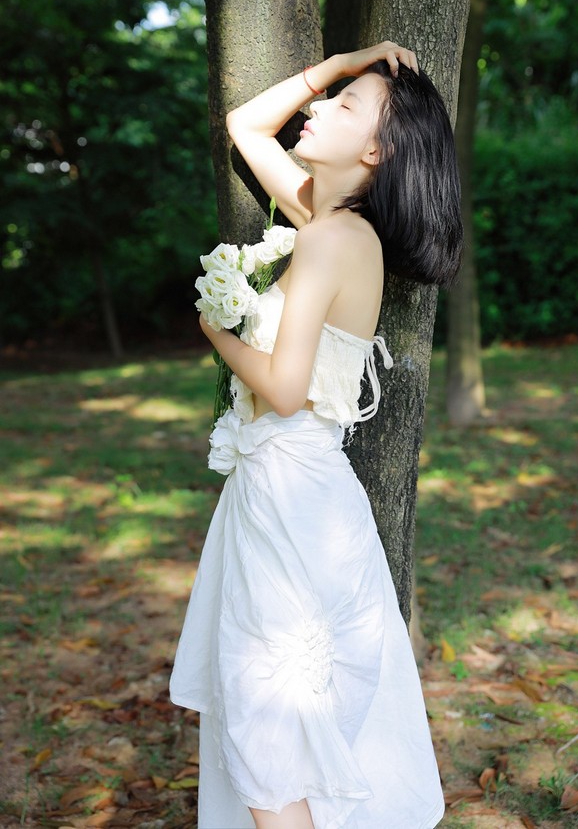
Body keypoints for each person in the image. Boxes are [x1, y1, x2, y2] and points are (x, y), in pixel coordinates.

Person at [170, 42, 463, 829]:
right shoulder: (326, 221)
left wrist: (216, 330)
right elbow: (246, 126)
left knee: (267, 731)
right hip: (290, 491)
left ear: (375, 151)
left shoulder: (333, 238)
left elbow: (284, 389)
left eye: (345, 106)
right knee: (274, 729)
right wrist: (344, 63)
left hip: (291, 497)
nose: (318, 107)